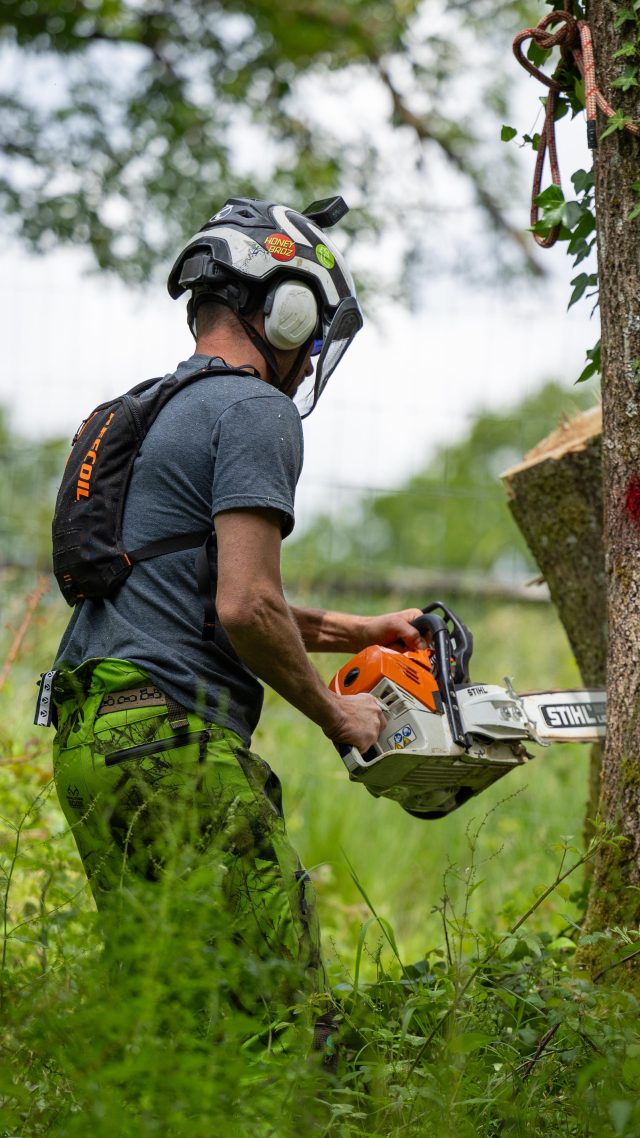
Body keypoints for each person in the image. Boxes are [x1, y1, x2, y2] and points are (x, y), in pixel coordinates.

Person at [50, 195, 425, 1057]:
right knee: (282, 1028)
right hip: (176, 745)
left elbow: (205, 588)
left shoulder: (152, 413)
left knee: (171, 1025)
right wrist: (339, 718)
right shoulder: (256, 411)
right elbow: (244, 606)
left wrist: (363, 628)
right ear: (286, 306)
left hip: (92, 740)